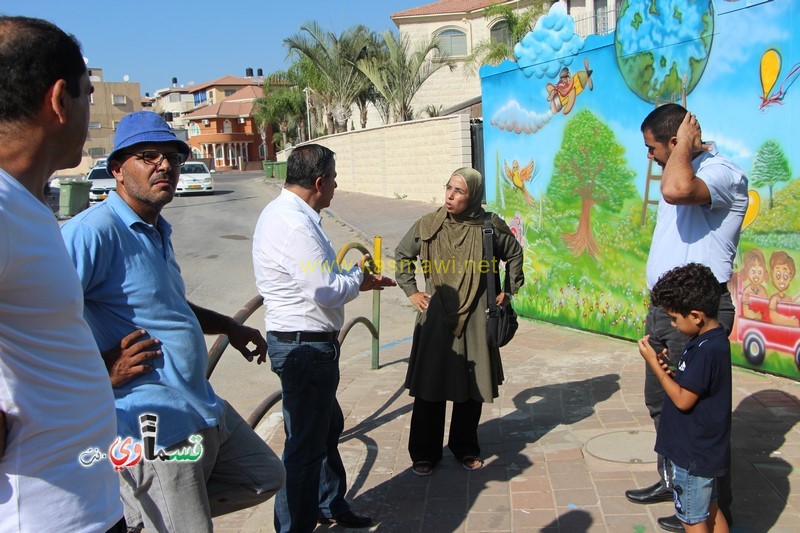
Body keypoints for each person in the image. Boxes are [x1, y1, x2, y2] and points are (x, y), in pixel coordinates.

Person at [60, 111, 285, 532]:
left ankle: (141, 516)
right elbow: (36, 324)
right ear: (117, 170)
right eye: (148, 156)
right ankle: (141, 512)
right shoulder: (93, 232)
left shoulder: (157, 228)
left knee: (263, 477)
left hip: (200, 407)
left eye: (173, 157)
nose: (165, 166)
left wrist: (230, 327)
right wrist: (100, 372)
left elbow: (171, 306)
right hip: (155, 427)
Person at [0, 16, 124, 531]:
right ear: (59, 100)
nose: (90, 108)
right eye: (87, 94)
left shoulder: (24, 206)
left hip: (84, 506)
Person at [252, 144, 395, 532]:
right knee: (303, 450)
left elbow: (319, 279)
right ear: (318, 182)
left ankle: (329, 502)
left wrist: (351, 278)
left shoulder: (294, 214)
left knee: (324, 429)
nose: (336, 185)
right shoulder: (294, 223)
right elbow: (325, 289)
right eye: (333, 178)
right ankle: (295, 525)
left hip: (308, 347)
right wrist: (357, 279)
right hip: (304, 349)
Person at [625, 103, 748, 532]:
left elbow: (678, 189)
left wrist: (684, 147)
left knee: (697, 419)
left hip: (697, 315)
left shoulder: (720, 172)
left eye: (653, 147)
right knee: (661, 402)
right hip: (665, 312)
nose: (649, 157)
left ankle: (712, 510)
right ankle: (676, 483)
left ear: (675, 142)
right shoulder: (678, 169)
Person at [394, 167, 524, 476]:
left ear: (474, 195)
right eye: (449, 188)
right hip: (437, 315)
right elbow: (402, 255)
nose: (450, 196)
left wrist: (507, 292)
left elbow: (515, 254)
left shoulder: (489, 226)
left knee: (471, 387)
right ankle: (424, 453)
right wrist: (412, 292)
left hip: (478, 317)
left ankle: (465, 446)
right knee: (430, 386)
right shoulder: (428, 225)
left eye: (459, 191)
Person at [638, 263, 731, 533]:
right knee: (711, 510)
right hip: (705, 451)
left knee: (692, 519)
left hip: (692, 456)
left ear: (696, 316)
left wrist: (654, 364)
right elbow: (695, 388)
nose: (672, 325)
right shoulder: (714, 341)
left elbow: (683, 400)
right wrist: (675, 374)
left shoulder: (704, 349)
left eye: (675, 319)